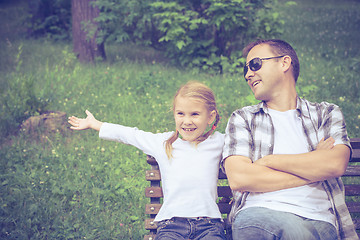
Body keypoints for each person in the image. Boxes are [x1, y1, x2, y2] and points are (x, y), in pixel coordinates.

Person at [222, 39, 358, 239]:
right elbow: (240, 178)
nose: (248, 74)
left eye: (255, 64)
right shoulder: (243, 118)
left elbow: (335, 164)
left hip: (320, 222)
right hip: (258, 216)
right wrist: (315, 166)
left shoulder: (326, 114)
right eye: (246, 70)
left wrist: (270, 161)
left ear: (284, 63)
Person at [68, 81, 227, 240]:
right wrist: (95, 124)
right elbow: (131, 135)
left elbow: (247, 146)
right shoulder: (164, 143)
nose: (187, 121)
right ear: (174, 114)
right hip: (171, 226)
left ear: (210, 117)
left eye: (194, 114)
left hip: (209, 225)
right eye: (180, 114)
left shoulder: (219, 142)